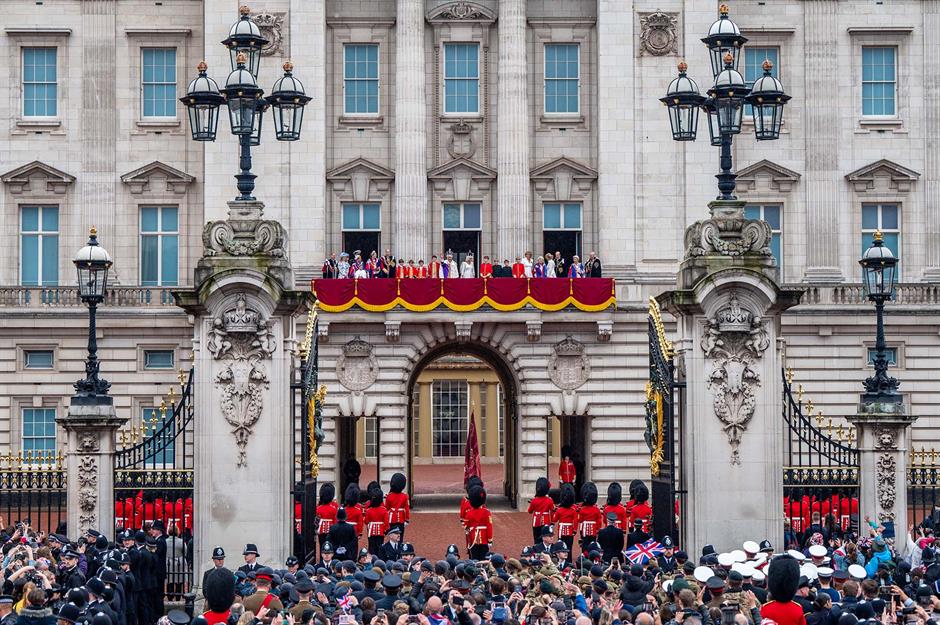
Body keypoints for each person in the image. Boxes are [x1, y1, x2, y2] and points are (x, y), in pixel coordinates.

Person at [464, 485, 493, 561]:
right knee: (484, 559)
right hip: (484, 539)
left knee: (474, 559)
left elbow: (466, 526)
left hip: (473, 539)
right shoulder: (486, 512)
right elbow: (489, 527)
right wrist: (490, 540)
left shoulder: (469, 513)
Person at [527, 477, 555, 544]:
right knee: (546, 541)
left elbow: (529, 511)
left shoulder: (534, 500)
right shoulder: (549, 500)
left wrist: (532, 504)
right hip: (546, 521)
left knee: (537, 540)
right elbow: (552, 511)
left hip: (536, 521)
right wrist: (552, 522)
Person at [578, 482, 603, 554]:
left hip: (585, 530)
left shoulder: (582, 509)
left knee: (585, 546)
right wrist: (598, 529)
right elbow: (599, 521)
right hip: (593, 530)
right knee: (593, 545)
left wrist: (581, 533)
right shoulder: (597, 509)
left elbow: (580, 521)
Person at [553, 484, 579, 553]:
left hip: (561, 531)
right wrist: (574, 530)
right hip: (570, 531)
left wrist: (553, 512)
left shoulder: (559, 510)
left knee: (560, 548)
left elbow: (554, 520)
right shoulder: (573, 510)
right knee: (569, 548)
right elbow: (576, 521)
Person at [385, 473, 411, 540]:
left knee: (392, 536)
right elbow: (407, 509)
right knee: (400, 537)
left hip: (391, 519)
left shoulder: (389, 496)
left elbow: (386, 509)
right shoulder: (405, 496)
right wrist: (407, 520)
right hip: (401, 519)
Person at [364, 489, 388, 555]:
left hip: (371, 531)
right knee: (380, 547)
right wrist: (385, 530)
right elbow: (386, 522)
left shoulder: (369, 510)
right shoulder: (384, 510)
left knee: (371, 548)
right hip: (381, 531)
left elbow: (366, 521)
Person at [315, 483, 339, 551]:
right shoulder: (334, 508)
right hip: (331, 530)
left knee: (322, 547)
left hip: (321, 531)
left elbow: (316, 521)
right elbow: (335, 521)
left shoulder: (318, 508)